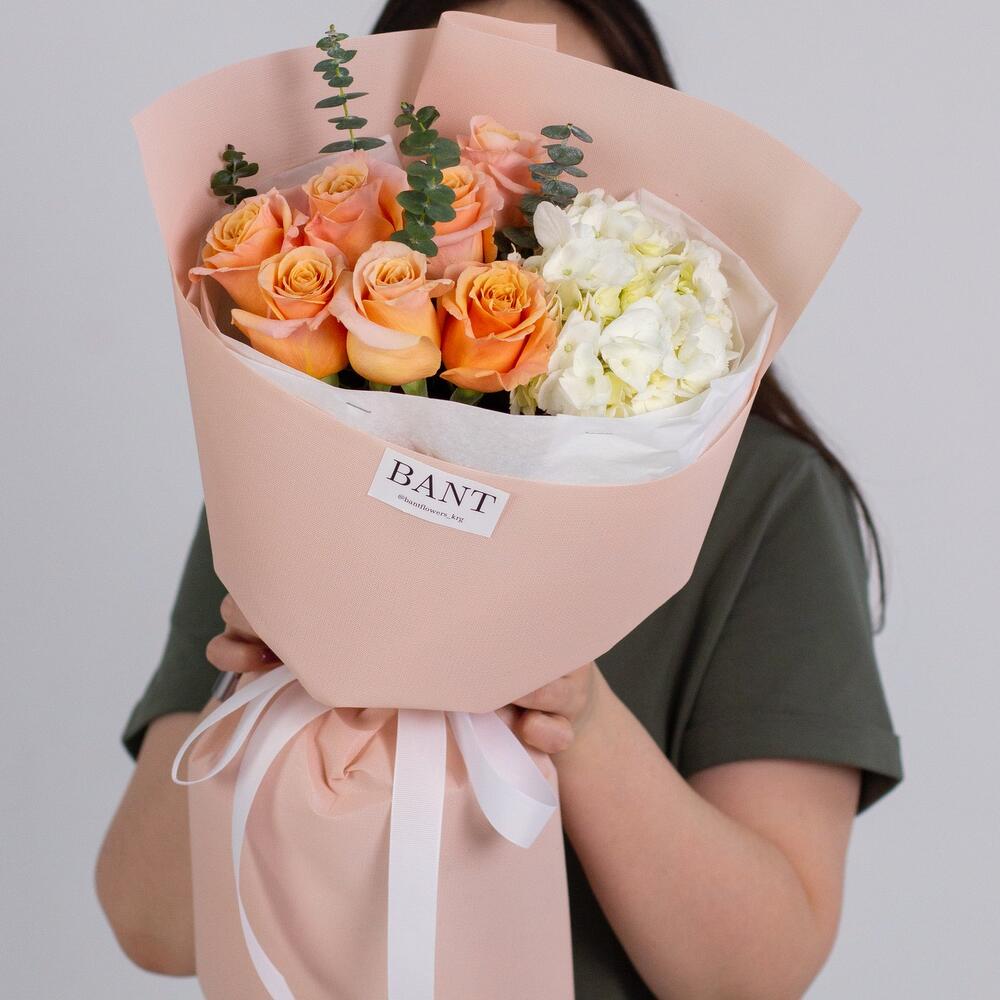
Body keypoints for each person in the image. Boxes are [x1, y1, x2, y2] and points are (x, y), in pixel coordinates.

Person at [96, 1, 903, 997]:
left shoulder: (768, 502)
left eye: (558, 137)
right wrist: (286, 673)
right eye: (457, 142)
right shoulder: (287, 467)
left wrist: (573, 711)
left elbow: (757, 971)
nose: (505, 184)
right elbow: (151, 921)